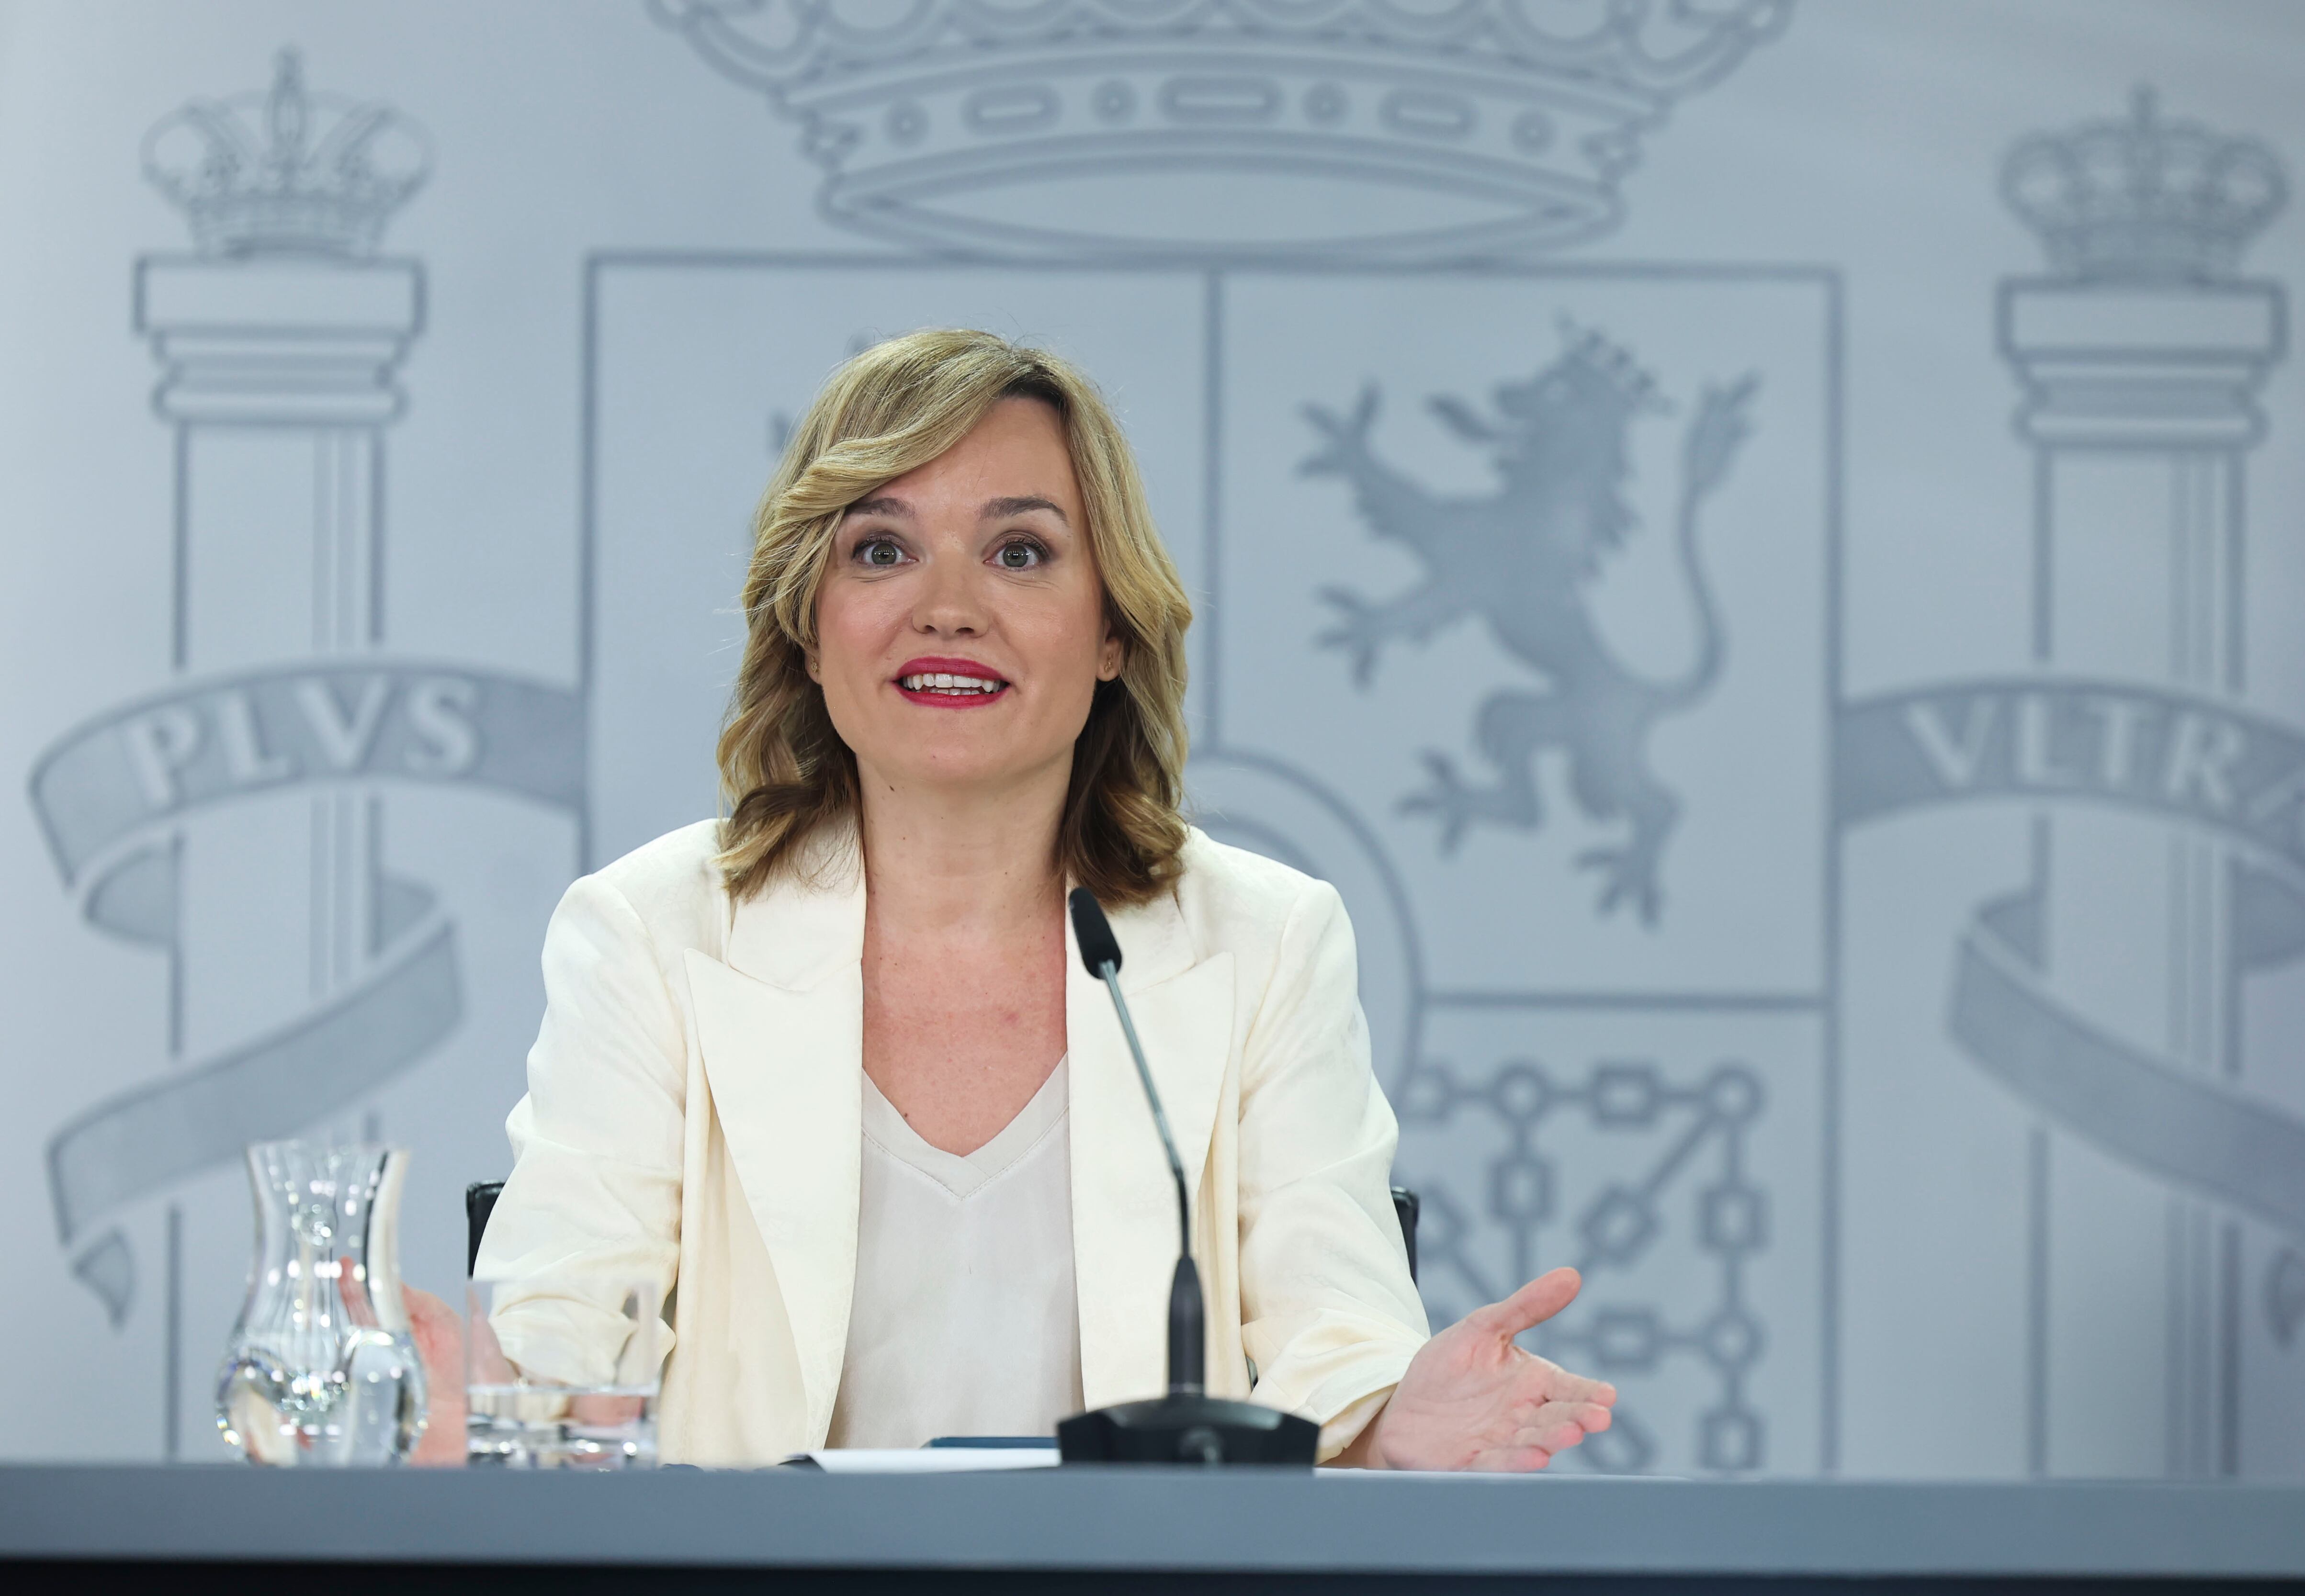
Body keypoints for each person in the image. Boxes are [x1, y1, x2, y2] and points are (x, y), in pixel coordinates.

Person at [415, 329, 1615, 1468]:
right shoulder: (654, 933)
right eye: (880, 549)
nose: (948, 604)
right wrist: (504, 1396)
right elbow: (568, 1324)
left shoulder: (1264, 941)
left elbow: (1331, 1329)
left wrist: (1388, 1415)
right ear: (809, 624)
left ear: (1109, 629)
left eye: (1020, 550)